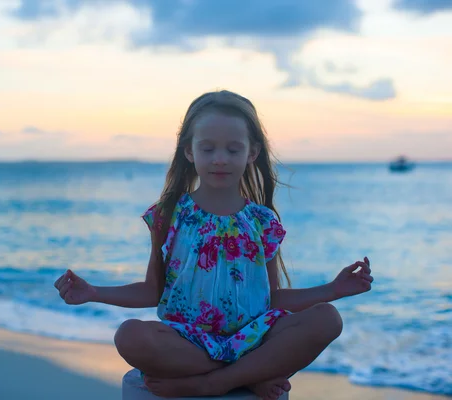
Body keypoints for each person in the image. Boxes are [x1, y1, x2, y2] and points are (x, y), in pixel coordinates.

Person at [53, 90, 374, 399]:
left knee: (328, 319)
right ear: (189, 151)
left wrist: (335, 288)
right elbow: (153, 291)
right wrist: (94, 292)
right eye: (208, 149)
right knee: (130, 336)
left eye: (233, 150)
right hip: (188, 342)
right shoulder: (168, 216)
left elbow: (273, 299)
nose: (220, 159)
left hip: (255, 337)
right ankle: (251, 375)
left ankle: (215, 383)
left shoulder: (263, 222)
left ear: (252, 153)